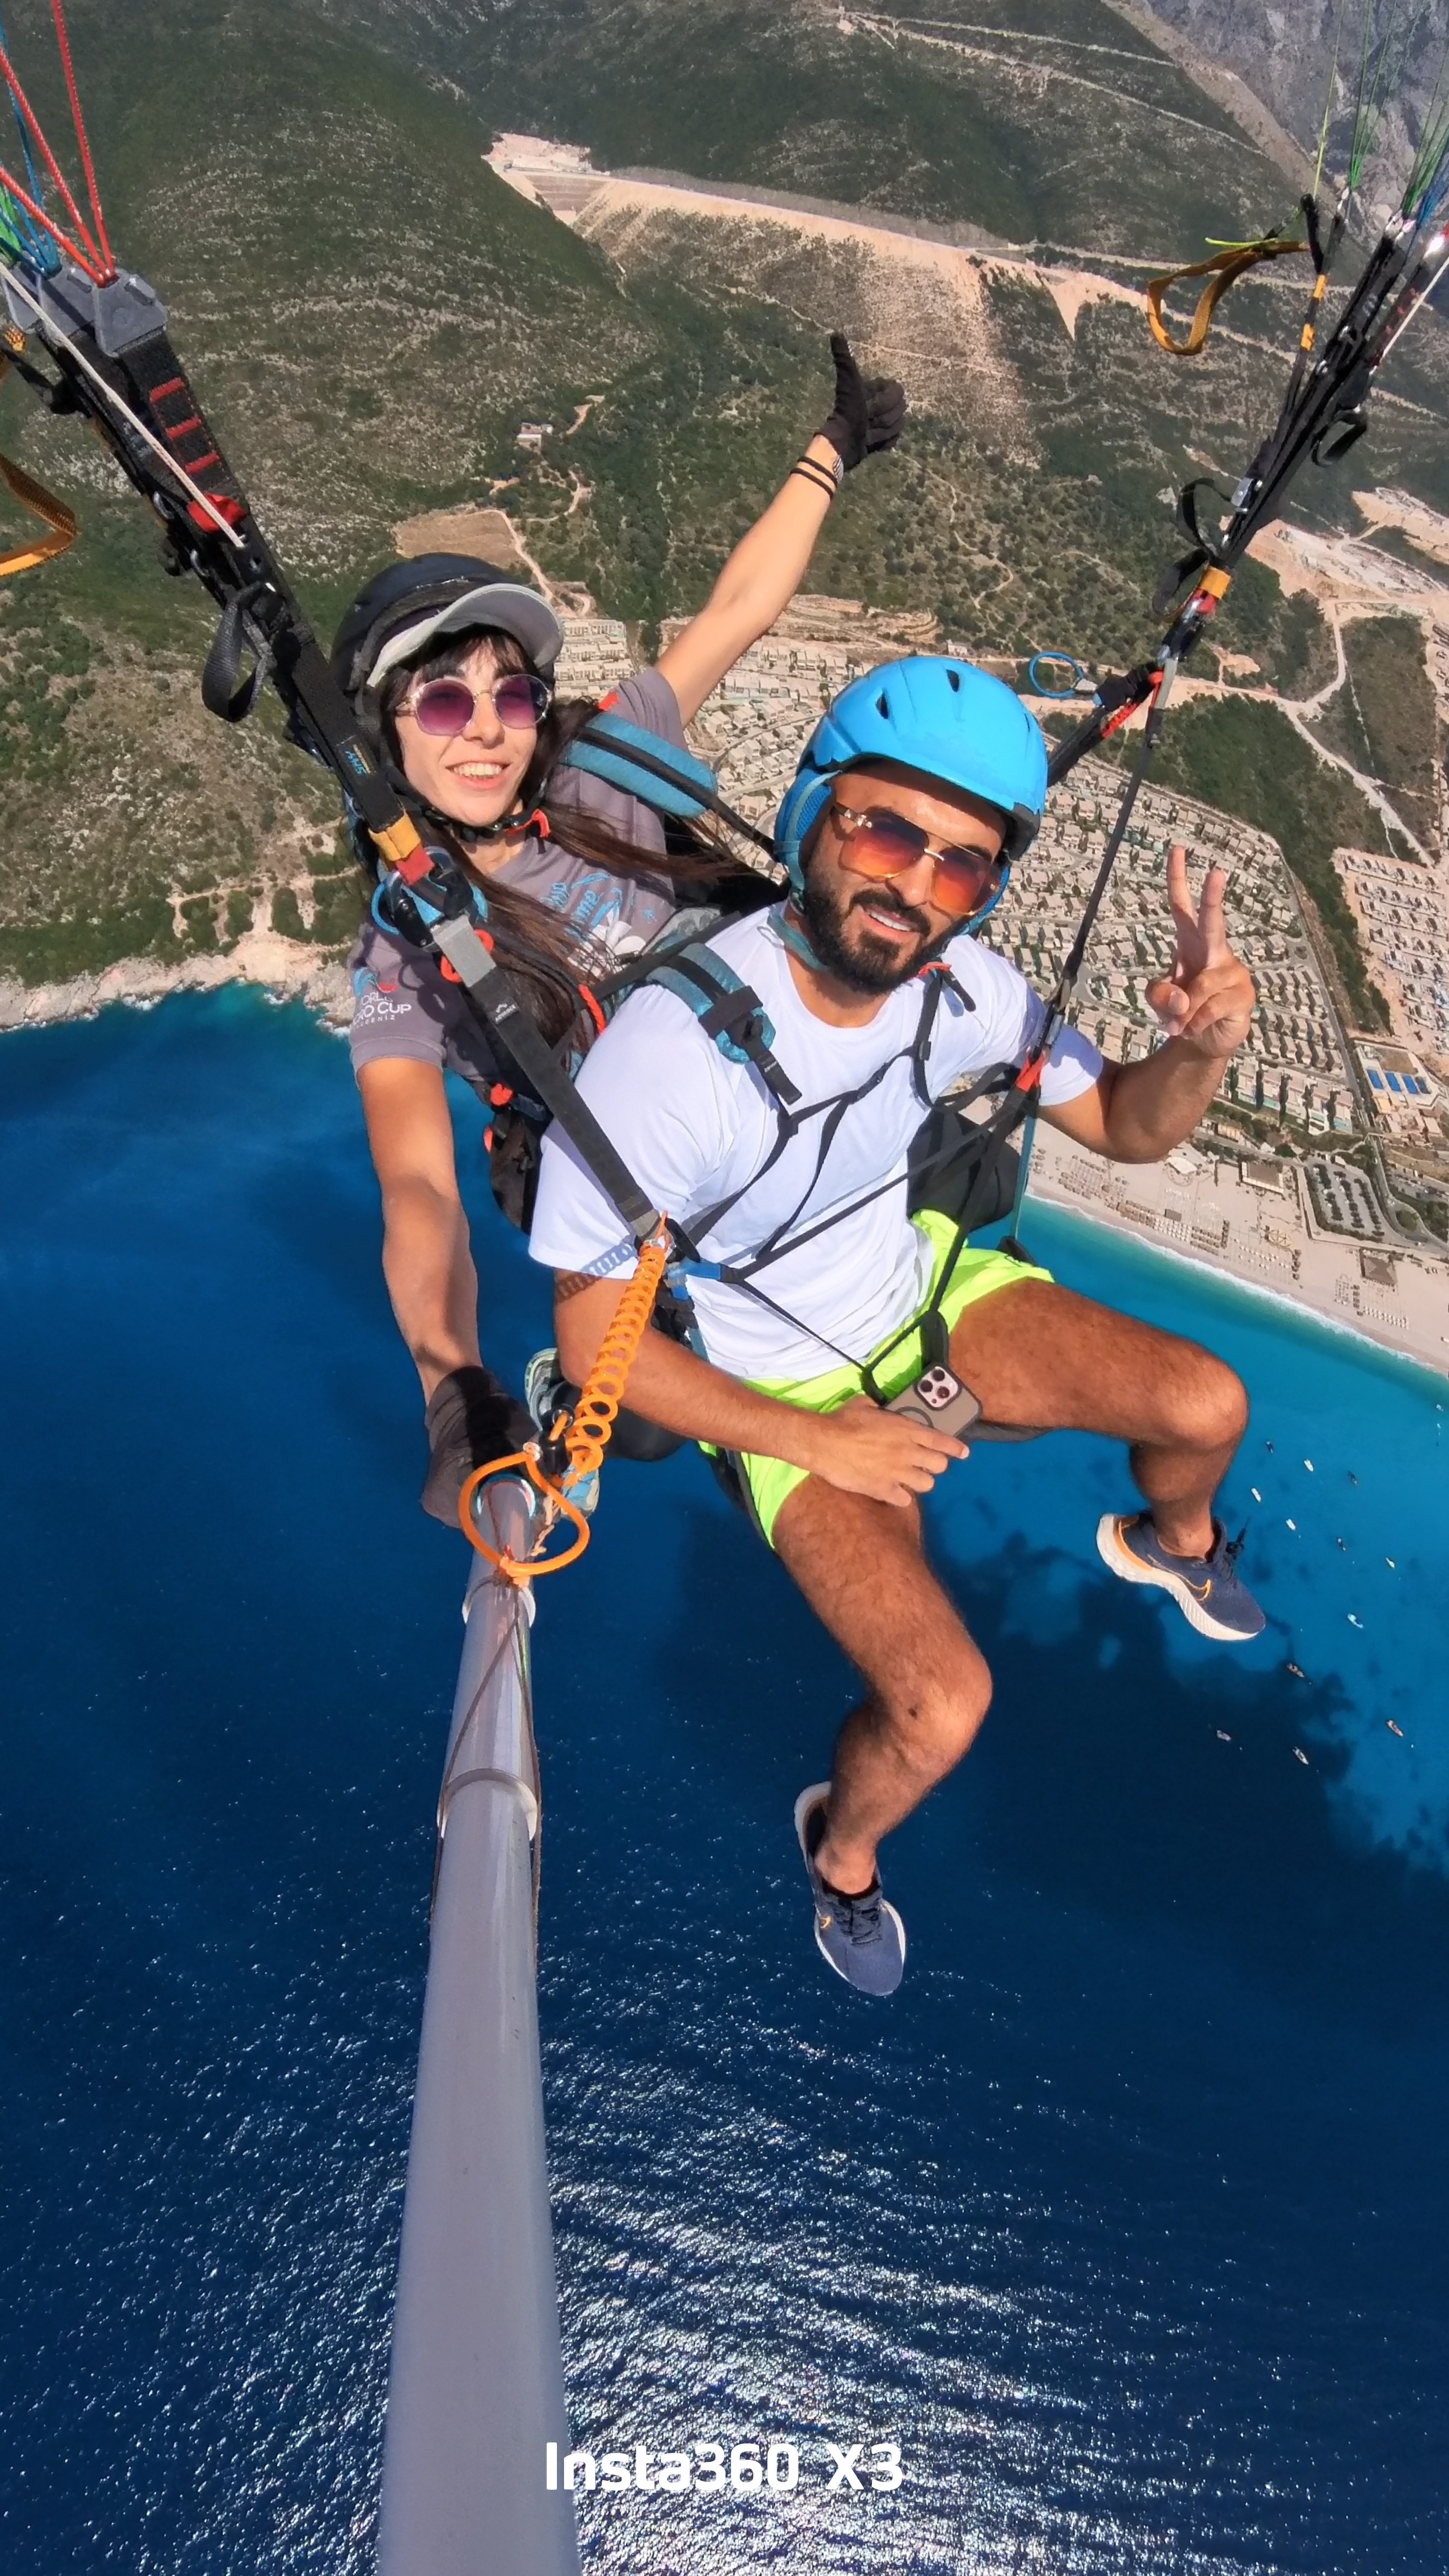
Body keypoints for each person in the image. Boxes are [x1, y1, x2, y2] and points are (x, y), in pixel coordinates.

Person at [527, 655, 1265, 1998]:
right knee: (941, 1707)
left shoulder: (966, 990)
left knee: (1209, 1405)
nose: (916, 886)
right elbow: (594, 1355)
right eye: (884, 831)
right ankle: (842, 1855)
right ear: (815, 810)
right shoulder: (668, 1056)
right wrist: (831, 1446)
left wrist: (1203, 1047)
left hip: (926, 1300)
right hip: (786, 1391)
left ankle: (1173, 1549)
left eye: (963, 866)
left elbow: (1131, 1131)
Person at [336, 337, 907, 1524]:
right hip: (660, 1181)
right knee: (640, 1420)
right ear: (388, 739)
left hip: (783, 1090)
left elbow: (738, 611)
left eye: (510, 693)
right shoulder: (409, 949)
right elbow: (417, 1189)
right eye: (445, 699)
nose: (486, 728)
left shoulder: (604, 772)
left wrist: (834, 447)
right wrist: (454, 1385)